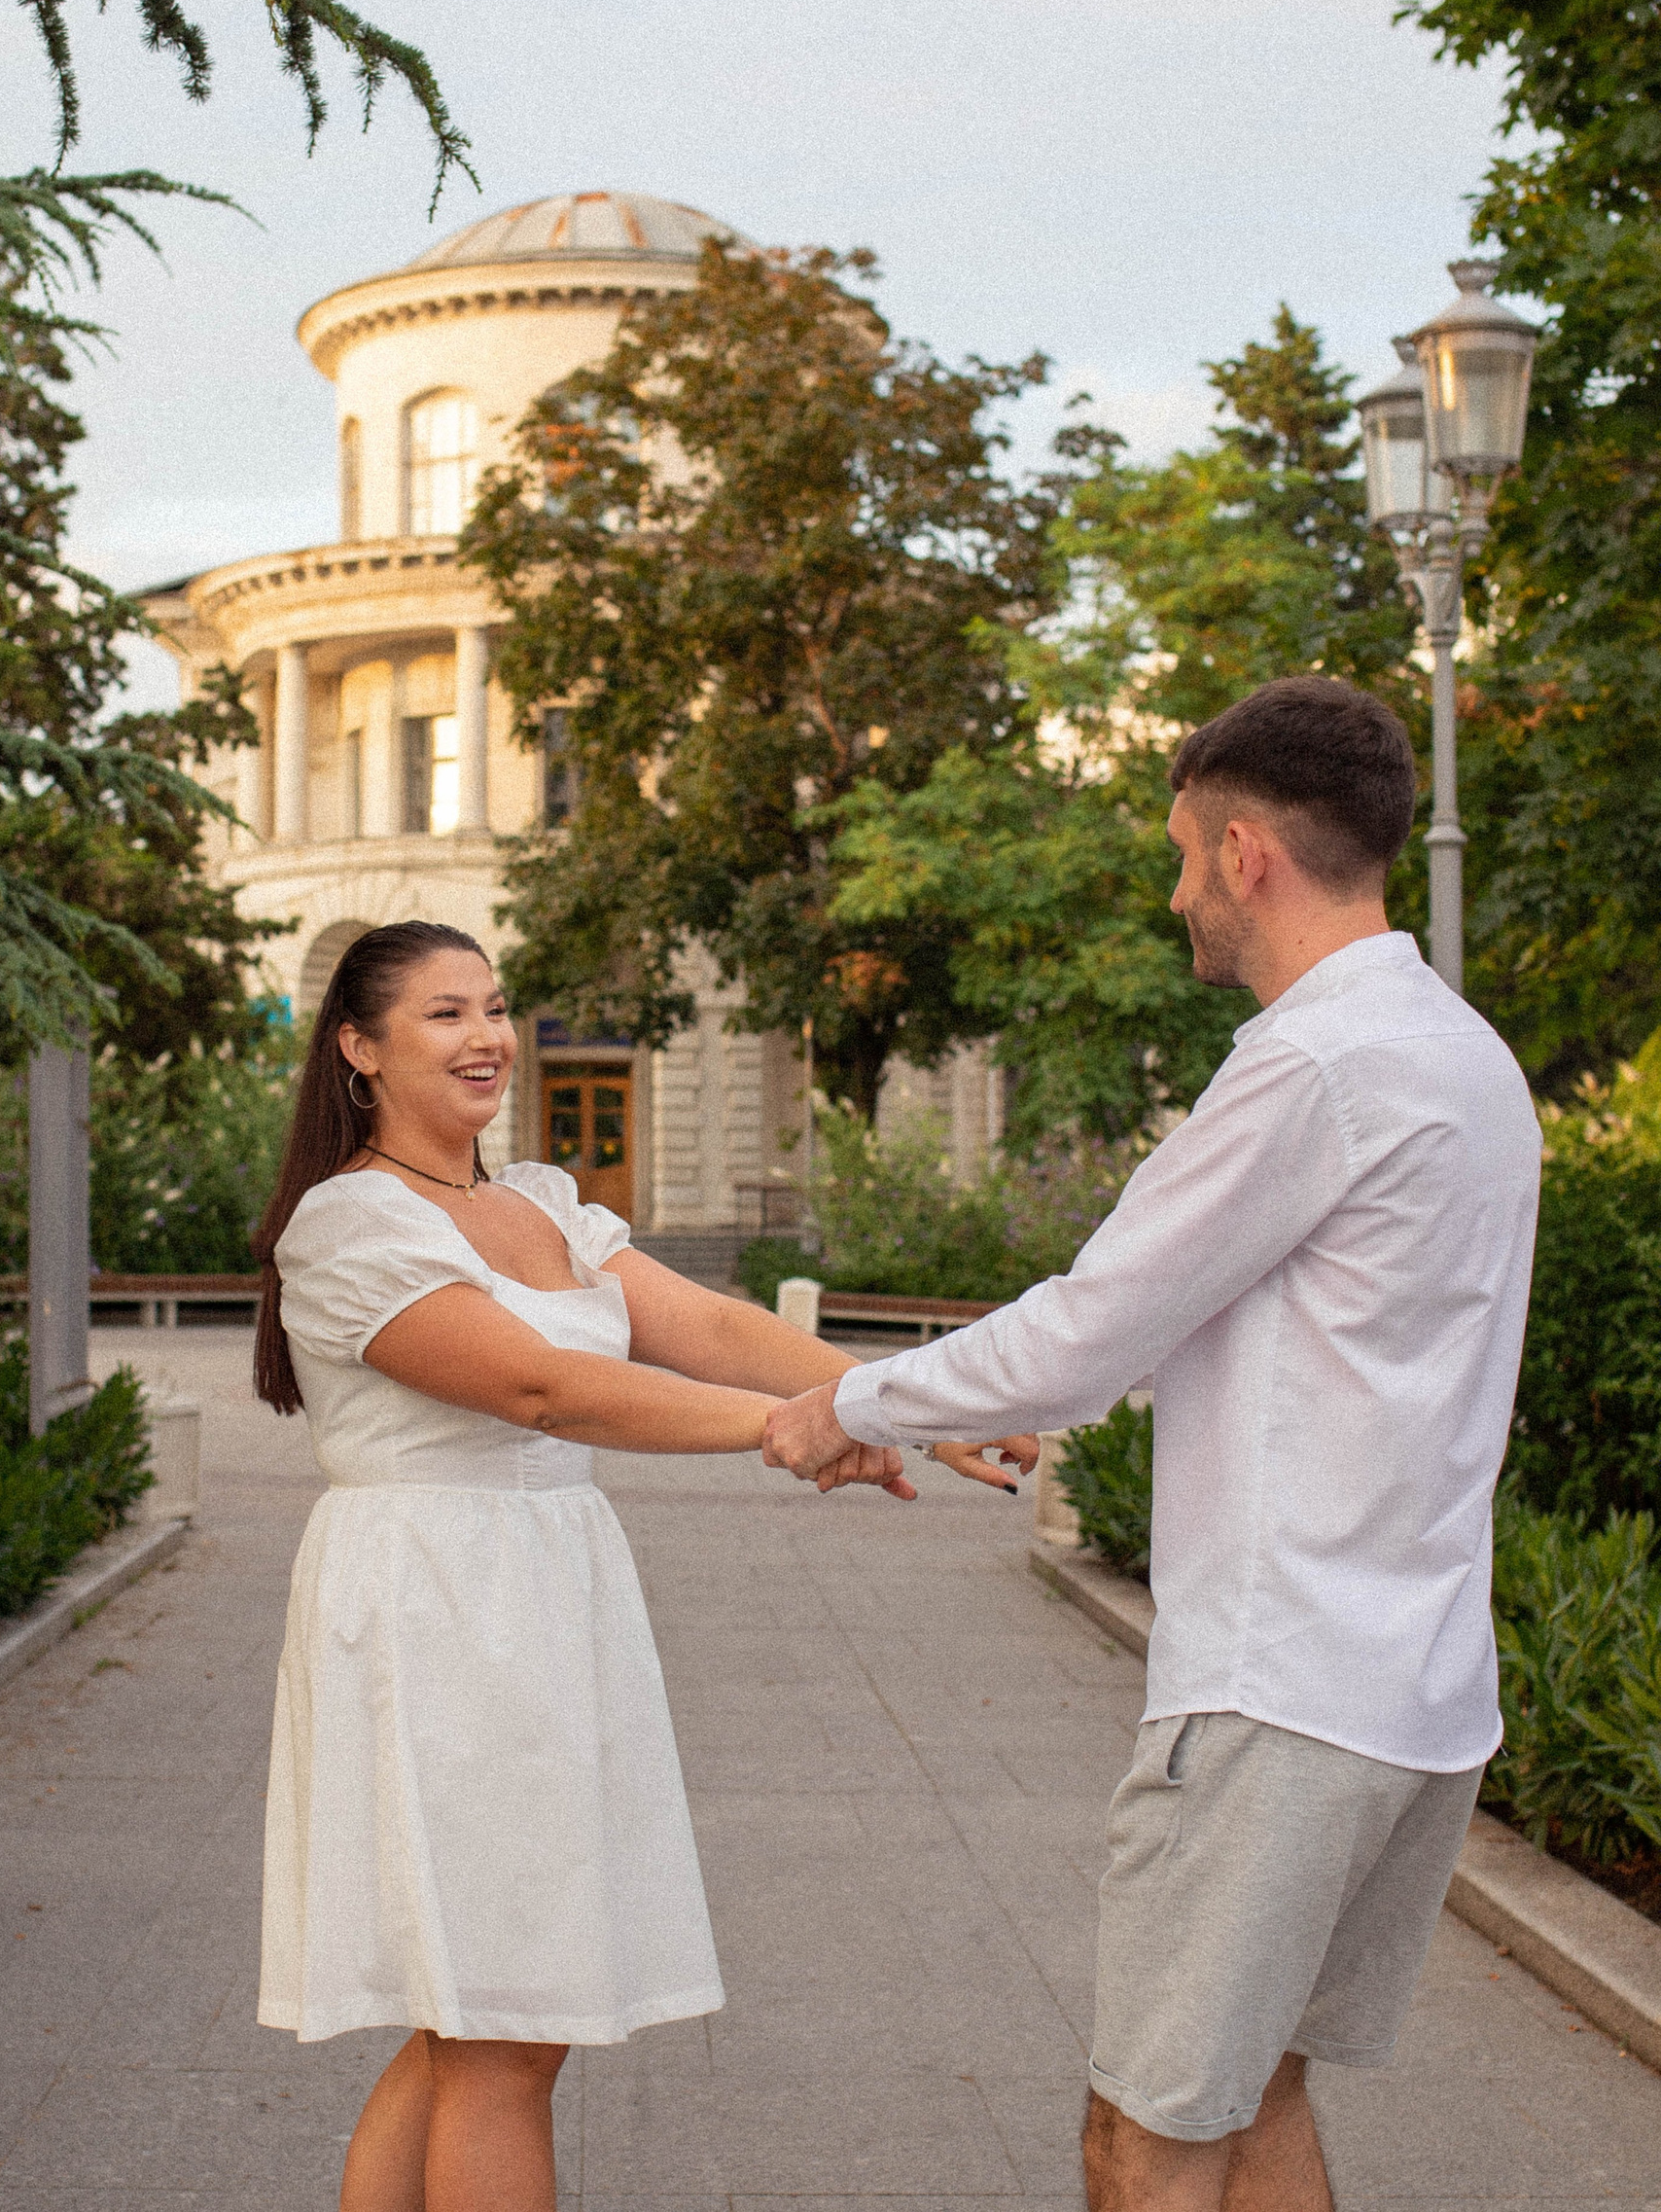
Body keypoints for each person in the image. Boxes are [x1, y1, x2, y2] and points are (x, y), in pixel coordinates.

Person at [766, 676, 1543, 2212]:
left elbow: (1091, 1320)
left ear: (1248, 852)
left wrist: (840, 1403)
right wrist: (1018, 1394)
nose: (1178, 891)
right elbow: (1310, 1333)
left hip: (1276, 1694)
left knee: (1146, 2138)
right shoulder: (1464, 1055)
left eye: (1185, 855)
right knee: (1258, 2095)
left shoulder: (1308, 1063)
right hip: (1417, 1692)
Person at [251, 920, 1024, 2212]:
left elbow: (708, 1324)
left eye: (495, 1006)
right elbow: (543, 1388)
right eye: (445, 1013)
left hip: (546, 1600)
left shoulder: (541, 1202)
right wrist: (800, 1429)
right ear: (359, 1046)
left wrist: (915, 1400)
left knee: (480, 2019)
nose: (488, 1036)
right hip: (438, 1613)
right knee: (503, 2021)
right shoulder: (347, 1224)